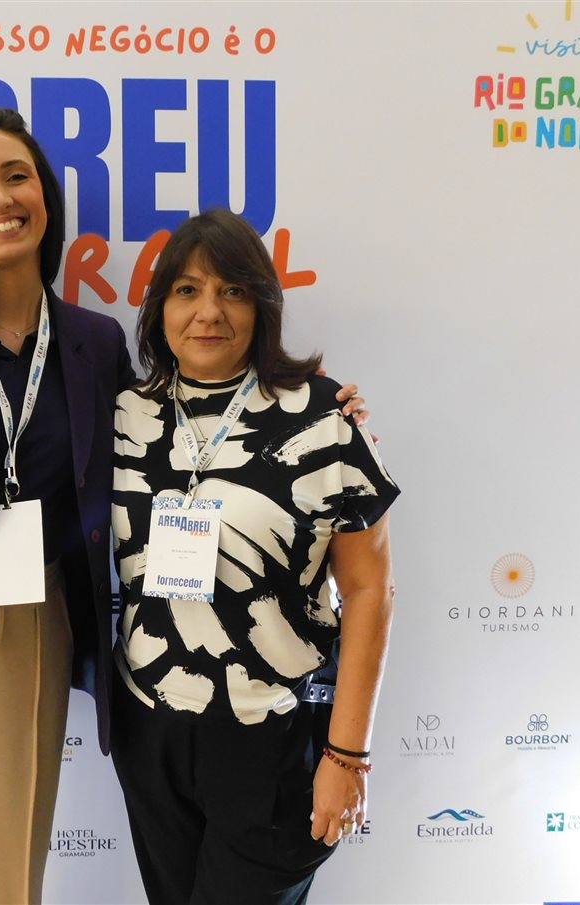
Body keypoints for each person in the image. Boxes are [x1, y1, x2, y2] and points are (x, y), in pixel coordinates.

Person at [0, 107, 370, 904]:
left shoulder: (94, 343)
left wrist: (315, 404)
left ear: (45, 198)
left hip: (33, 624)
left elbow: (181, 425)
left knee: (11, 882)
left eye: (15, 176)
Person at [109, 208, 398, 905]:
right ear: (159, 308)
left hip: (270, 736)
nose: (209, 311)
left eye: (233, 290)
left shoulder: (324, 416)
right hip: (150, 729)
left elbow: (369, 591)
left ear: (261, 306)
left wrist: (347, 753)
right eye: (186, 290)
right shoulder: (122, 413)